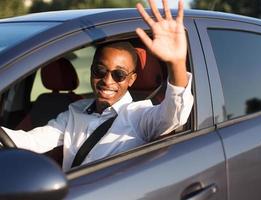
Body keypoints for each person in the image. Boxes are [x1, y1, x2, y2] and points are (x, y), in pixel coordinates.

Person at [1, 0, 193, 171]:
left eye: (119, 75)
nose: (107, 81)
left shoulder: (138, 116)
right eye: (100, 71)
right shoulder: (75, 112)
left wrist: (176, 63)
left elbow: (175, 114)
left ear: (131, 79)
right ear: (92, 70)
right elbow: (32, 141)